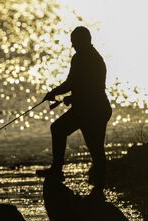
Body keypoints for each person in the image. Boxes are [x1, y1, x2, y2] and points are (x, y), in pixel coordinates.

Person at [37, 26, 112, 198]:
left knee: (59, 129)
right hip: (95, 108)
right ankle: (98, 188)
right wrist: (71, 98)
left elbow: (72, 83)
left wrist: (53, 93)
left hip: (91, 110)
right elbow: (86, 86)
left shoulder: (82, 58)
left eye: (74, 43)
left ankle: (58, 171)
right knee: (96, 148)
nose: (73, 46)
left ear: (82, 41)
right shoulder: (93, 57)